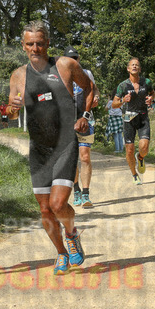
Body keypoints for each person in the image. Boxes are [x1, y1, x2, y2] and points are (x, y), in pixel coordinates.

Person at [7, 21, 94, 275]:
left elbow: (89, 87)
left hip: (65, 144)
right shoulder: (18, 76)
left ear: (47, 43)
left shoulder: (65, 65)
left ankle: (72, 233)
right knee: (45, 209)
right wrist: (12, 108)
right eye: (30, 44)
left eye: (40, 43)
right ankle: (61, 253)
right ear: (23, 46)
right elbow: (11, 114)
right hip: (39, 150)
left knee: (57, 204)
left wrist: (85, 115)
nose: (35, 48)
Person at [64, 46, 100, 208]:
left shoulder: (87, 74)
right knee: (72, 159)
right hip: (67, 122)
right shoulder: (60, 76)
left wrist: (96, 97)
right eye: (70, 59)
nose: (73, 61)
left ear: (78, 59)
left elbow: (94, 90)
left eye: (75, 58)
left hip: (85, 120)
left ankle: (86, 194)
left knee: (84, 157)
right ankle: (76, 190)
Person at [111, 57, 155, 185]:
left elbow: (153, 93)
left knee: (144, 147)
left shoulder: (146, 82)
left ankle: (140, 157)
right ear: (128, 69)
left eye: (137, 65)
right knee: (129, 149)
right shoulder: (123, 85)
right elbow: (114, 104)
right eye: (132, 65)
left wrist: (151, 98)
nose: (135, 66)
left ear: (140, 69)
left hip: (143, 116)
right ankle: (134, 175)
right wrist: (123, 100)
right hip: (129, 118)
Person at [106, 88, 125, 153]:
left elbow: (106, 108)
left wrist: (108, 101)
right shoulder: (120, 101)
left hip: (113, 118)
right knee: (120, 134)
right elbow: (122, 108)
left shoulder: (111, 102)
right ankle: (121, 149)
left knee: (115, 134)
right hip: (119, 118)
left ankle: (117, 149)